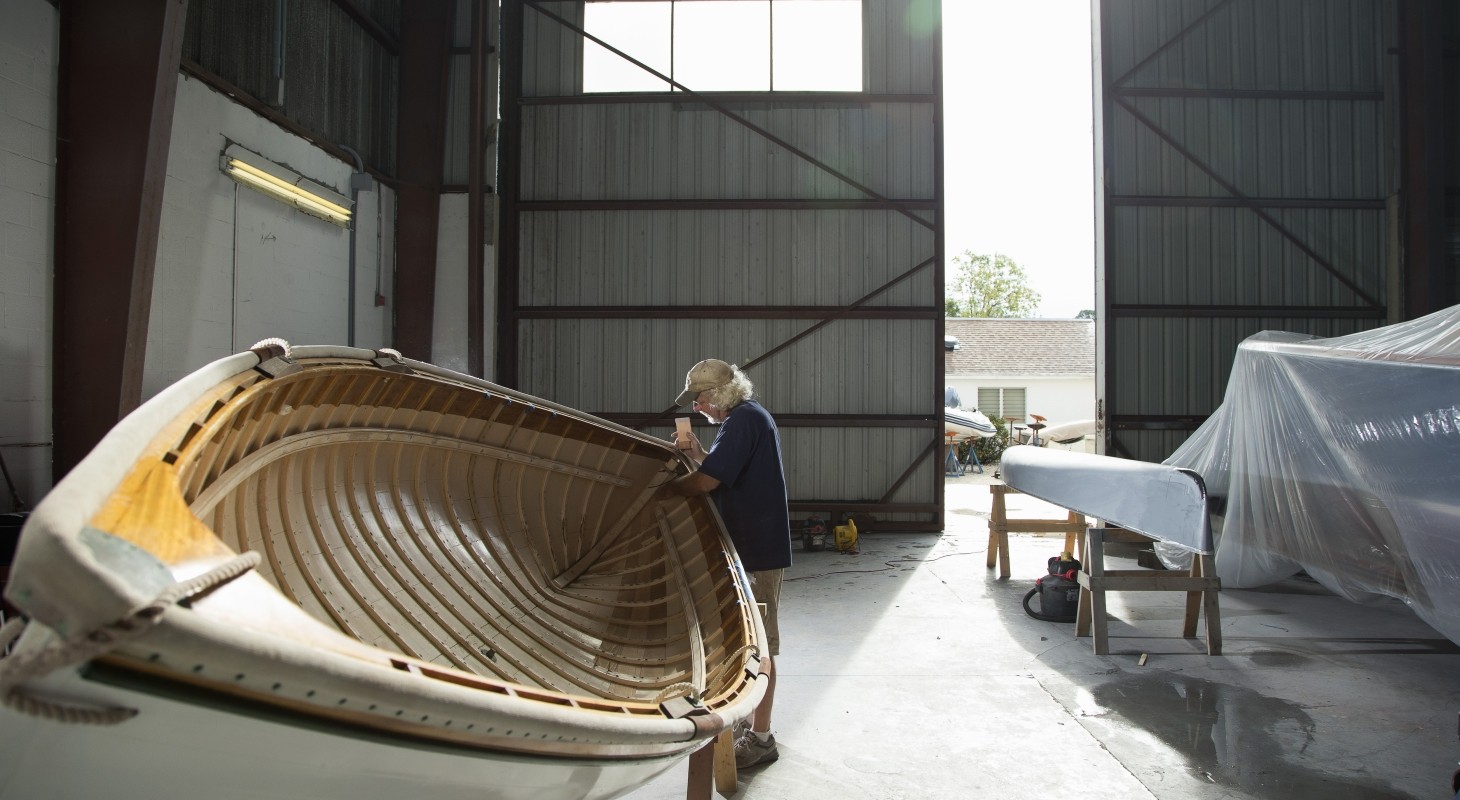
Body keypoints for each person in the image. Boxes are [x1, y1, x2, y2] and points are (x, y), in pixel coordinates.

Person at [665, 358, 791, 770]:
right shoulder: (745, 419)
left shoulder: (741, 422)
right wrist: (699, 453)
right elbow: (718, 468)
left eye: (699, 399)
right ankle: (752, 726)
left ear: (718, 395)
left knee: (762, 646)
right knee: (748, 643)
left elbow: (706, 483)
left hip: (757, 551)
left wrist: (664, 492)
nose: (697, 407)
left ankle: (761, 737)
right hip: (751, 547)